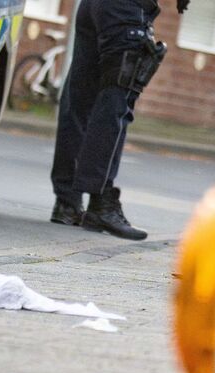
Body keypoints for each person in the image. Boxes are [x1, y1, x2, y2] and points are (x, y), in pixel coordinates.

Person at [49, 0, 189, 240]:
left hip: (93, 7)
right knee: (117, 100)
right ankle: (101, 203)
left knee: (80, 98)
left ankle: (67, 203)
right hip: (124, 11)